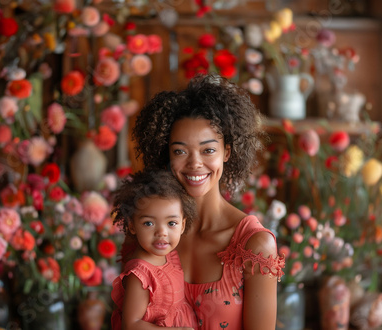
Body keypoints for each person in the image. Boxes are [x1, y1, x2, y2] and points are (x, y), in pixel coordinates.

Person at [133, 73, 286, 329]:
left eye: (208, 150)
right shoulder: (153, 230)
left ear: (227, 152)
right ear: (166, 154)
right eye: (180, 151)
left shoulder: (254, 245)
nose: (194, 163)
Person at [110, 170, 198, 330]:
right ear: (132, 225)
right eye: (149, 223)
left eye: (171, 223)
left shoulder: (170, 256)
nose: (162, 233)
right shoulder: (140, 275)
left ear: (183, 225)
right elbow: (131, 324)